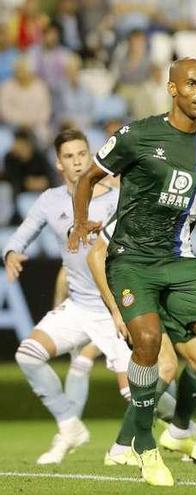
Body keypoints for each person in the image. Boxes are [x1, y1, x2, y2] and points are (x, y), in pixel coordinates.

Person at [68, 57, 196, 486]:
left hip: (179, 260)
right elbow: (89, 177)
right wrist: (81, 220)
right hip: (131, 259)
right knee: (147, 342)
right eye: (192, 84)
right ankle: (145, 447)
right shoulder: (138, 133)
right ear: (172, 89)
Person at [6, 128, 127, 465]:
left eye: (82, 155)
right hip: (79, 307)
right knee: (28, 354)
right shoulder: (50, 200)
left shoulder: (116, 197)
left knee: (140, 394)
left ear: (91, 157)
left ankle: (184, 430)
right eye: (69, 157)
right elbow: (19, 237)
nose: (77, 162)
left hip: (116, 308)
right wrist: (12, 253)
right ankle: (69, 425)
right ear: (59, 164)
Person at [86, 218, 196, 468]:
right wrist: (115, 307)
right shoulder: (143, 200)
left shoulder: (194, 197)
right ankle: (122, 447)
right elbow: (95, 255)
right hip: (137, 291)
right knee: (166, 366)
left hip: (167, 287)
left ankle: (179, 430)